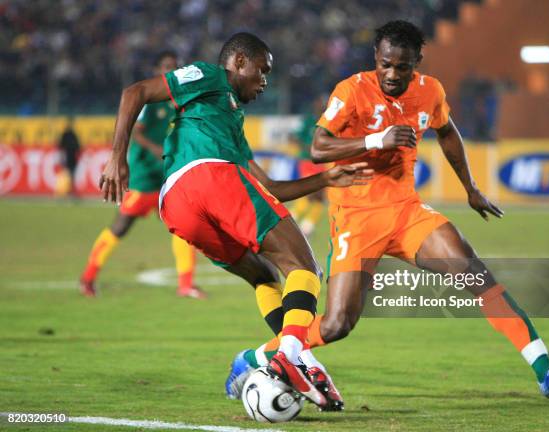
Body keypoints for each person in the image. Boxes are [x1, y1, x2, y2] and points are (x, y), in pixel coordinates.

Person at [229, 21, 549, 401]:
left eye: (402, 66)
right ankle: (251, 358)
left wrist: (470, 188)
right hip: (357, 219)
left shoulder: (430, 91)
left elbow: (448, 132)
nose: (391, 74)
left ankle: (545, 371)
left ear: (416, 62)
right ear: (376, 58)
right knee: (336, 325)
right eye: (385, 64)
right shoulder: (352, 90)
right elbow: (319, 147)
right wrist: (376, 139)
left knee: (476, 276)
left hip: (407, 212)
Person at [98, 32, 372, 410]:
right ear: (239, 62)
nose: (264, 82)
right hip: (207, 178)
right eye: (262, 72)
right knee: (304, 268)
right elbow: (135, 92)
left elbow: (270, 186)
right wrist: (117, 157)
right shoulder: (210, 76)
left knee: (264, 275)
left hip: (178, 207)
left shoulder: (230, 124)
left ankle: (301, 357)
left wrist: (324, 179)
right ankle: (289, 355)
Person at [80, 51, 205, 299]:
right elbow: (134, 131)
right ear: (157, 68)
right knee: (120, 227)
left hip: (166, 178)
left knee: (183, 228)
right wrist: (154, 148)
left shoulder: (178, 100)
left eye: (174, 67)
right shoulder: (149, 98)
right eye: (166, 66)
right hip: (143, 178)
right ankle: (88, 278)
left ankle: (186, 284)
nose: (170, 71)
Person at [290, 94, 328, 237]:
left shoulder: (330, 122)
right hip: (307, 162)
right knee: (310, 194)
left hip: (322, 163)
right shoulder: (309, 121)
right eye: (320, 103)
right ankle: (291, 220)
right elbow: (295, 137)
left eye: (324, 104)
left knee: (320, 197)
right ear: (315, 105)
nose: (322, 106)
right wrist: (308, 148)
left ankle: (307, 227)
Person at [57, 116, 80, 196]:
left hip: (71, 159)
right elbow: (78, 147)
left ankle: (69, 191)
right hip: (69, 158)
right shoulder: (69, 134)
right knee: (69, 175)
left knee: (70, 175)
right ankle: (67, 191)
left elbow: (60, 146)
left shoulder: (69, 134)